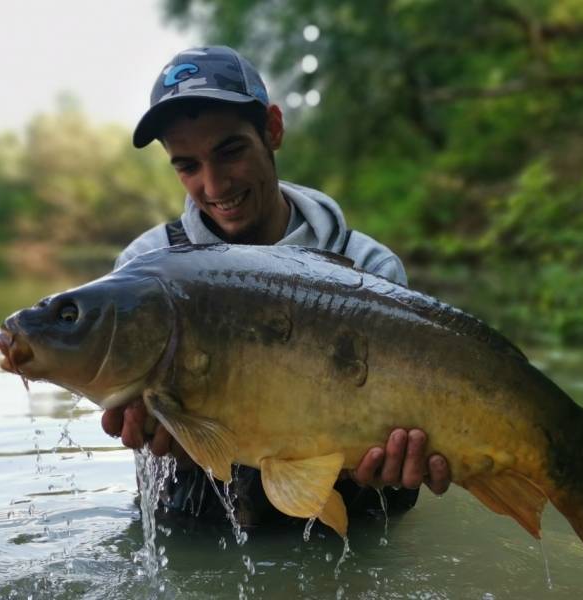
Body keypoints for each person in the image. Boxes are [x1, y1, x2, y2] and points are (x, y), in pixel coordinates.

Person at [100, 46, 451, 525]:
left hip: (343, 518)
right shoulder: (143, 269)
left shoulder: (367, 268)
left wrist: (392, 464)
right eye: (187, 166)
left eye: (230, 152)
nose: (215, 184)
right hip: (196, 524)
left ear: (273, 129)